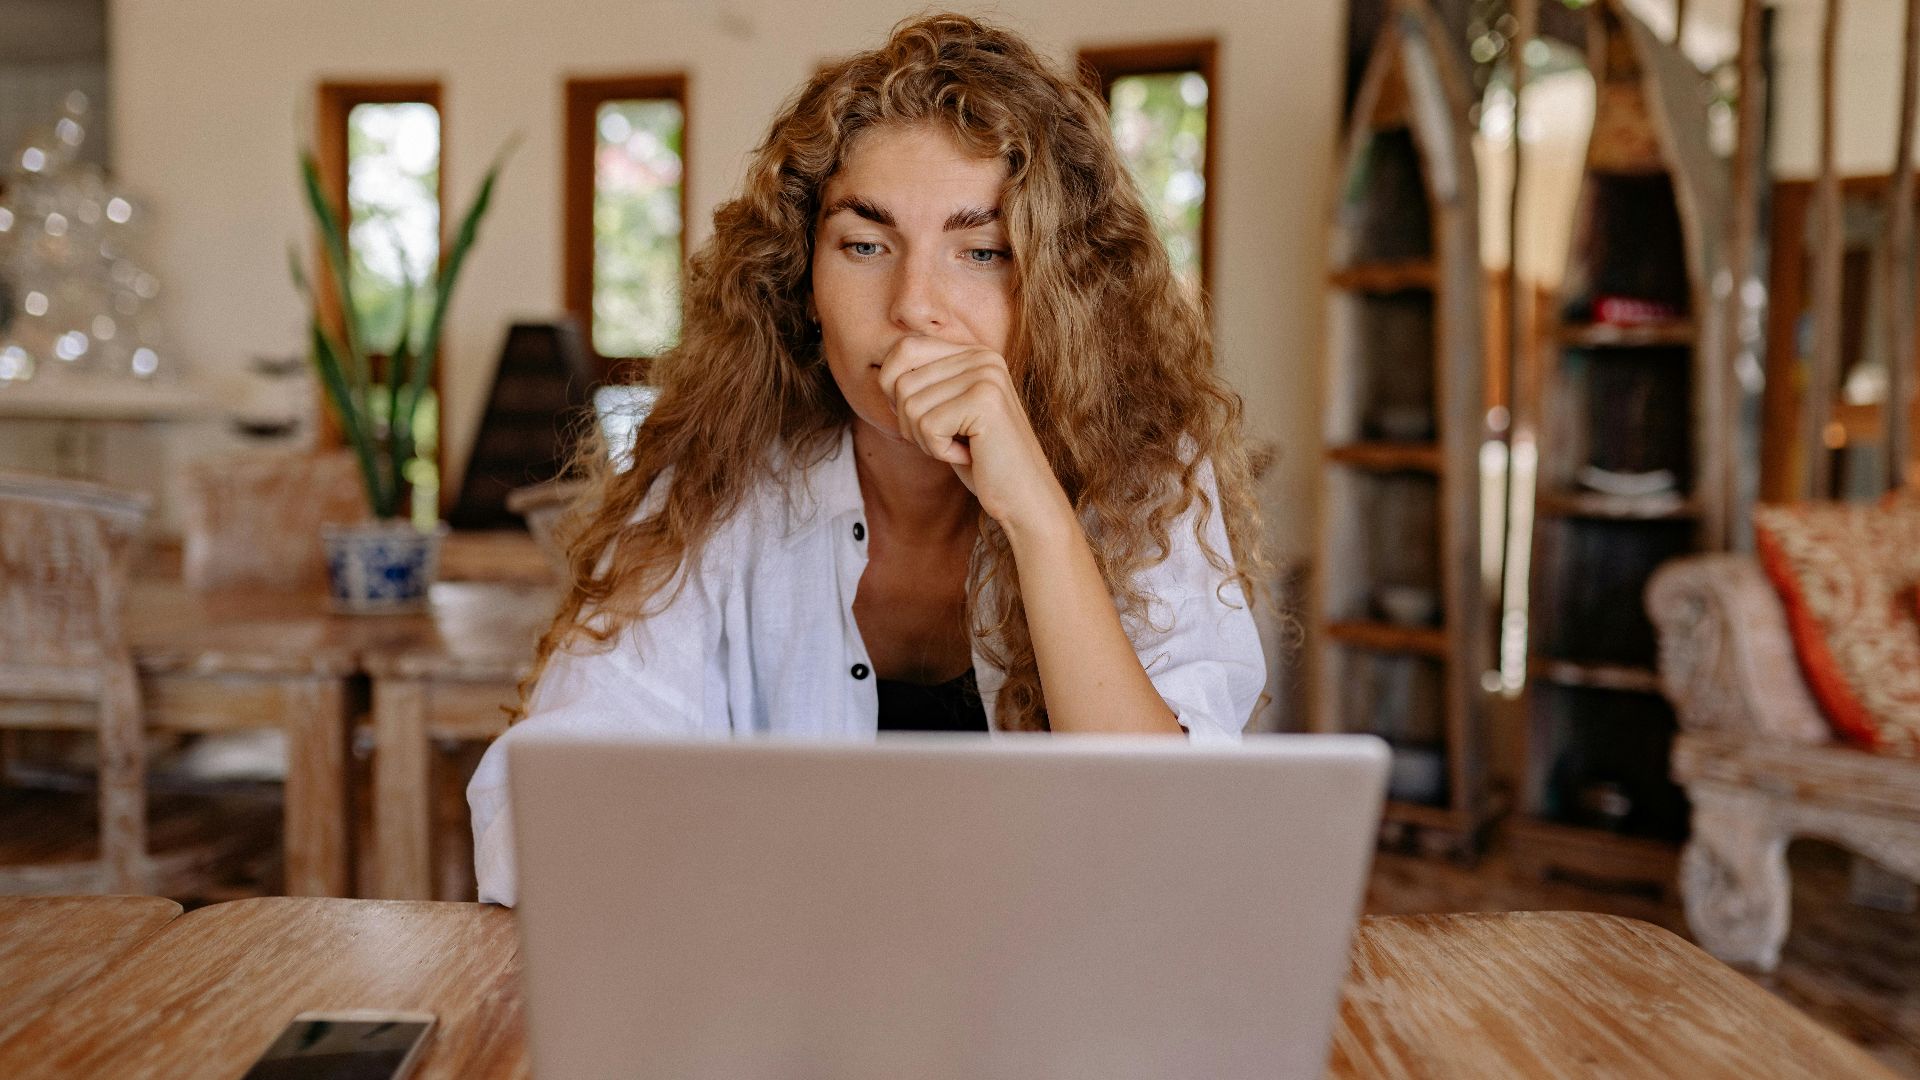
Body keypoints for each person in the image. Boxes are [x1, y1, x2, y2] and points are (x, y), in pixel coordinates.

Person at [468, 12, 1267, 906]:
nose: (915, 306)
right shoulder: (712, 477)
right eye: (864, 245)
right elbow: (532, 811)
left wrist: (1039, 518)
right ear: (803, 281)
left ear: (1059, 291)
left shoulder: (1149, 472)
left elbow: (1173, 849)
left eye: (982, 251)